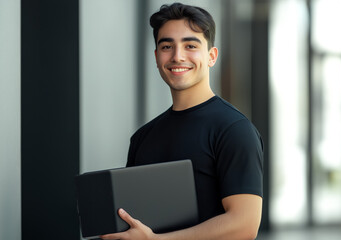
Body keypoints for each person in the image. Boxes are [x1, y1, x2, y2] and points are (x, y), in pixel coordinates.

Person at [101, 3, 263, 240]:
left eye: (190, 45)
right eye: (167, 46)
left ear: (211, 56)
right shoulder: (143, 137)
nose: (177, 56)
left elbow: (245, 225)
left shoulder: (234, 130)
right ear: (157, 57)